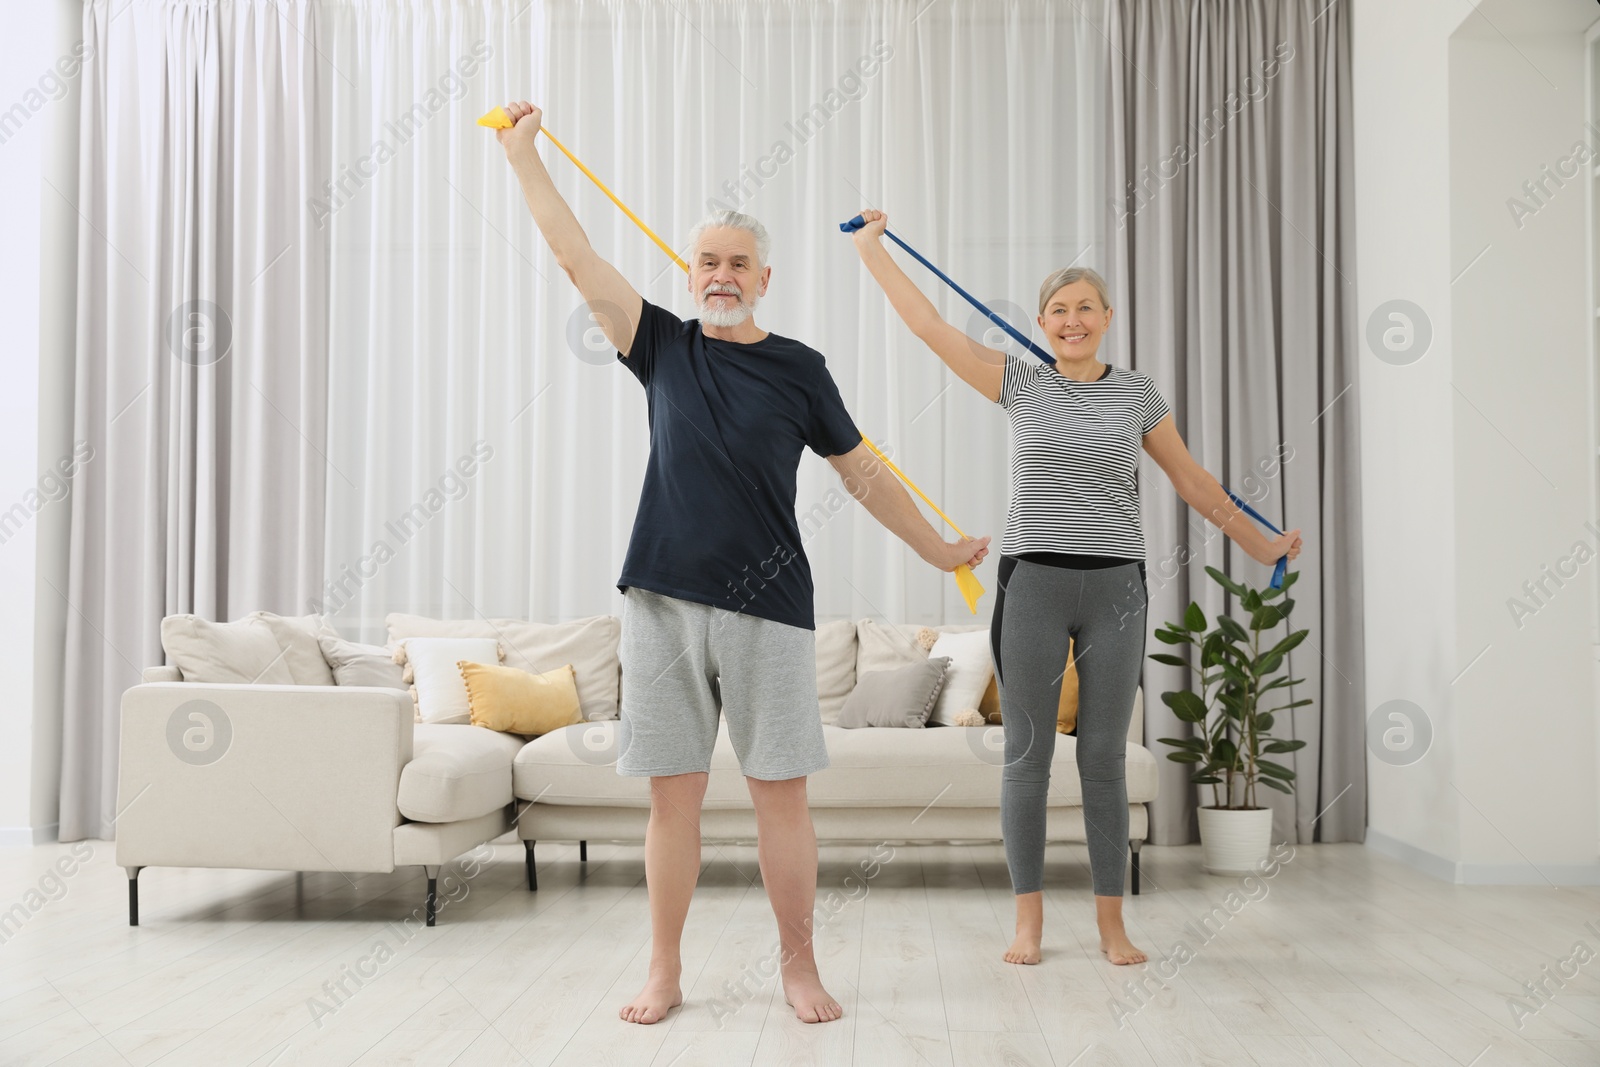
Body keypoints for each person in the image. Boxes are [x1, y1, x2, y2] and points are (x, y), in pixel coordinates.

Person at [496, 105, 990, 1024]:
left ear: (764, 278)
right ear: (691, 275)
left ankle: (798, 967)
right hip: (662, 601)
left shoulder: (801, 368)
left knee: (780, 798)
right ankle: (664, 970)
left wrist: (937, 548)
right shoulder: (660, 346)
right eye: (707, 262)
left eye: (737, 263)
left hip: (769, 605)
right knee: (671, 797)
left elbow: (865, 474)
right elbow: (575, 257)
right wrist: (524, 154)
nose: (721, 275)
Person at [849, 208, 1303, 967]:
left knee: (1102, 758)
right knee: (1026, 754)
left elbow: (1192, 481)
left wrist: (1262, 542)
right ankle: (1027, 922)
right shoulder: (1019, 381)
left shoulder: (1137, 395)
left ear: (1106, 317)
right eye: (1058, 309)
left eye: (1084, 306)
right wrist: (872, 249)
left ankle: (1111, 924)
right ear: (1042, 321)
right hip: (1034, 581)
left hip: (1117, 586)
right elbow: (930, 327)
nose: (1071, 318)